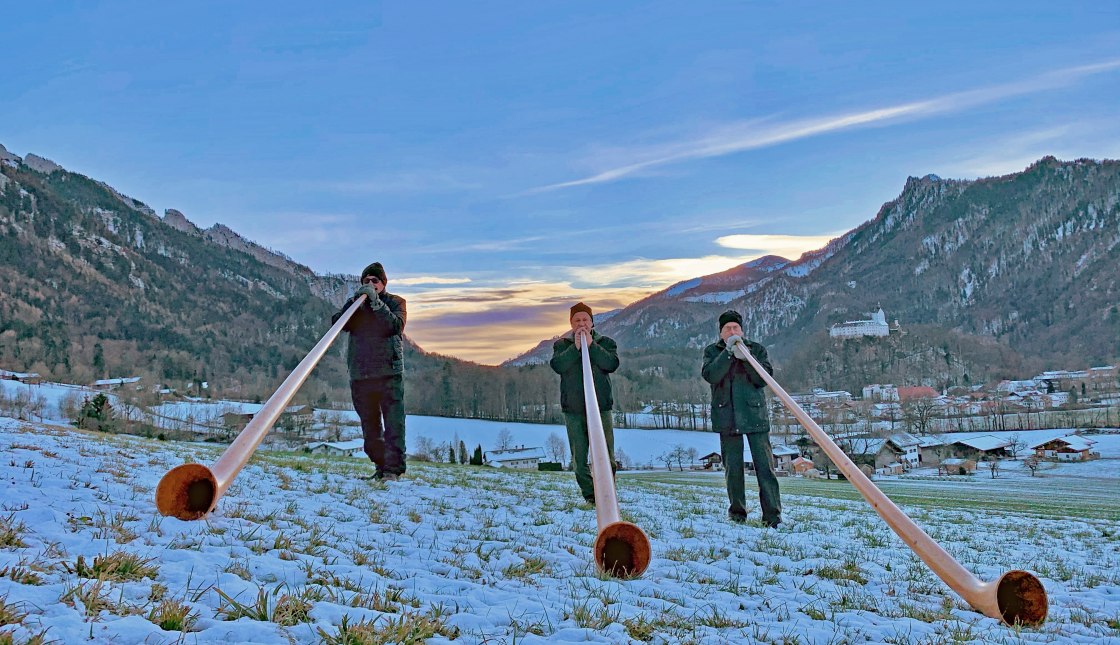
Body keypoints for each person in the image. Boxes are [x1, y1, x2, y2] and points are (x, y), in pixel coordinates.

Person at [701, 309, 781, 527]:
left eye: (736, 328)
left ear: (742, 331)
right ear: (721, 333)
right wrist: (727, 354)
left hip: (754, 415)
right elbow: (711, 375)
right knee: (733, 469)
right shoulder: (712, 352)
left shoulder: (756, 350)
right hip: (726, 415)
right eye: (728, 329)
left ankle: (772, 516)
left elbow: (762, 379)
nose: (732, 331)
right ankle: (737, 513)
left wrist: (746, 358)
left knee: (765, 467)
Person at [332, 262, 407, 481]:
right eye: (366, 281)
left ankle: (393, 471)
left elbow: (395, 326)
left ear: (383, 283)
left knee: (394, 424)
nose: (370, 284)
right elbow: (338, 324)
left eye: (375, 281)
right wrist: (354, 304)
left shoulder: (396, 302)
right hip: (361, 375)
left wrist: (376, 304)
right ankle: (380, 465)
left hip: (389, 373)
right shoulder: (356, 305)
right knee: (370, 427)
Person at [549, 302, 620, 504]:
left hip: (601, 408)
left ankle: (608, 494)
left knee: (607, 456)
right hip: (574, 410)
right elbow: (558, 365)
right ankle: (591, 496)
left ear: (592, 322)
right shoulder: (561, 345)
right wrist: (576, 348)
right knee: (579, 459)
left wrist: (591, 346)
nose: (582, 324)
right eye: (577, 320)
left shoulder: (606, 342)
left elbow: (611, 363)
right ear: (571, 323)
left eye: (585, 319)